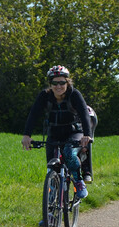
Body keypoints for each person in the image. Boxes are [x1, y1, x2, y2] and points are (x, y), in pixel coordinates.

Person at [22, 65, 94, 200]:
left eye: (62, 82)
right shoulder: (45, 96)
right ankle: (49, 216)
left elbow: (84, 114)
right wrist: (27, 135)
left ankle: (78, 181)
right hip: (54, 134)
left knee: (68, 153)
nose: (58, 86)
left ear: (67, 82)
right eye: (55, 83)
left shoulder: (74, 94)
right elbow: (33, 115)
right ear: (50, 84)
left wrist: (86, 135)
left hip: (74, 133)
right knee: (51, 169)